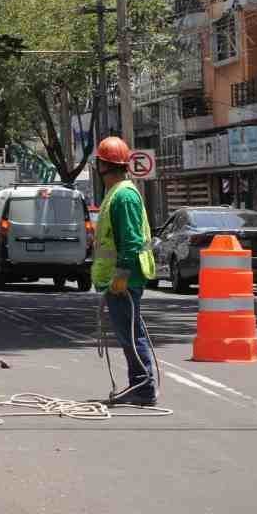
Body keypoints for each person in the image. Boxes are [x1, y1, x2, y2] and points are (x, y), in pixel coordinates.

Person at [92, 135, 159, 406]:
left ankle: (143, 387)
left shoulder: (124, 196)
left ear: (102, 166)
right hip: (118, 279)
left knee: (131, 335)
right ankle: (140, 385)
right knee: (129, 333)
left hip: (124, 280)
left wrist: (121, 276)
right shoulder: (117, 194)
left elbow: (131, 242)